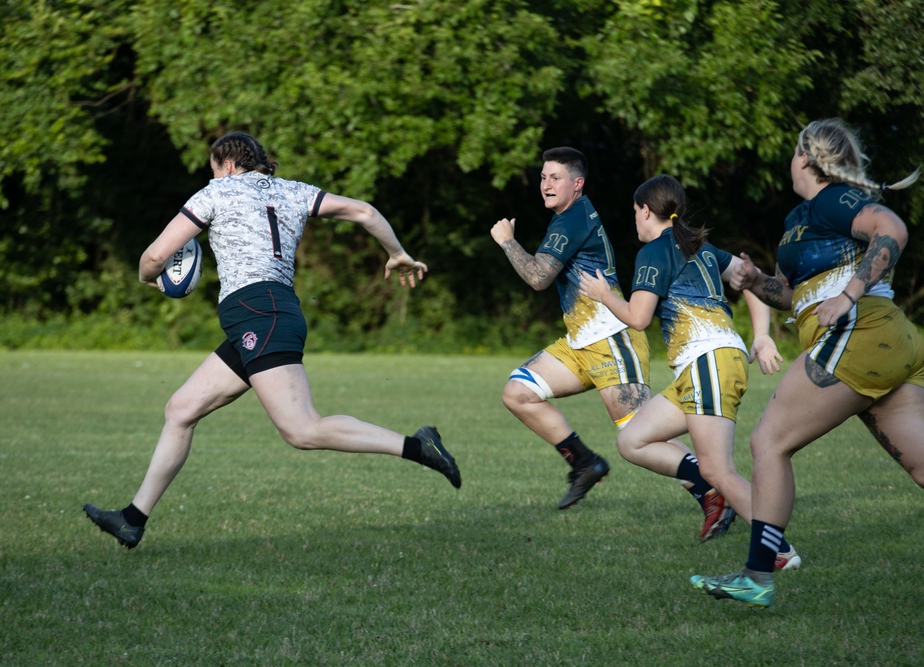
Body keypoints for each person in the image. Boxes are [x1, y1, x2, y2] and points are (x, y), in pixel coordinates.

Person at [84, 131, 461, 549]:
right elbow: (365, 212)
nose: (214, 177)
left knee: (302, 430)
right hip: (270, 311)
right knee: (181, 408)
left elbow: (155, 256)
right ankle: (132, 520)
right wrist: (397, 253)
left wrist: (146, 277)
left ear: (226, 165)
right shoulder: (294, 191)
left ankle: (418, 446)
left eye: (214, 170)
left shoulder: (217, 192)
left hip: (257, 313)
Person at [691, 118, 924, 607]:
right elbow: (795, 296)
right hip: (885, 345)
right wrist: (755, 280)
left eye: (793, 151)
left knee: (768, 441)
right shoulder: (800, 217)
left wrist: (849, 294)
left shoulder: (832, 198)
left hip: (859, 334)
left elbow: (893, 229)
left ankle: (758, 574)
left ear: (807, 157)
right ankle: (757, 574)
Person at [490, 149, 731, 540]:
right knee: (518, 392)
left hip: (613, 339)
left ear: (577, 184)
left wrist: (506, 242)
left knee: (641, 434)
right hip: (580, 341)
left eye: (555, 178)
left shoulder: (572, 221)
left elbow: (538, 278)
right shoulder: (567, 217)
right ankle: (584, 463)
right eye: (543, 177)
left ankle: (713, 488)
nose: (546, 185)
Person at [580, 175, 798, 560]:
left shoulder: (654, 252)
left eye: (635, 212)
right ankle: (714, 491)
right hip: (704, 366)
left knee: (720, 470)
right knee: (633, 440)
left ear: (646, 211)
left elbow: (638, 316)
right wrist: (760, 334)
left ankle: (777, 550)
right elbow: (751, 280)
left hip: (707, 362)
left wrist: (603, 294)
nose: (634, 219)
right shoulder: (700, 246)